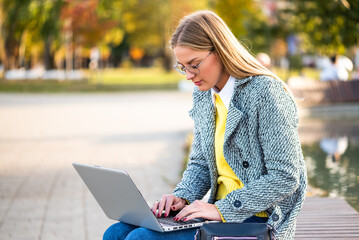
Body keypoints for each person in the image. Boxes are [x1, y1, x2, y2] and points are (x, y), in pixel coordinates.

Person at [103, 10, 307, 240]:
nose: (189, 75)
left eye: (194, 64)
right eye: (182, 67)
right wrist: (183, 197)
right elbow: (201, 163)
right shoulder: (204, 95)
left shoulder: (266, 93)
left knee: (140, 239)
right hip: (218, 215)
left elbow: (286, 177)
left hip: (258, 220)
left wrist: (221, 209)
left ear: (220, 51)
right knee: (116, 232)